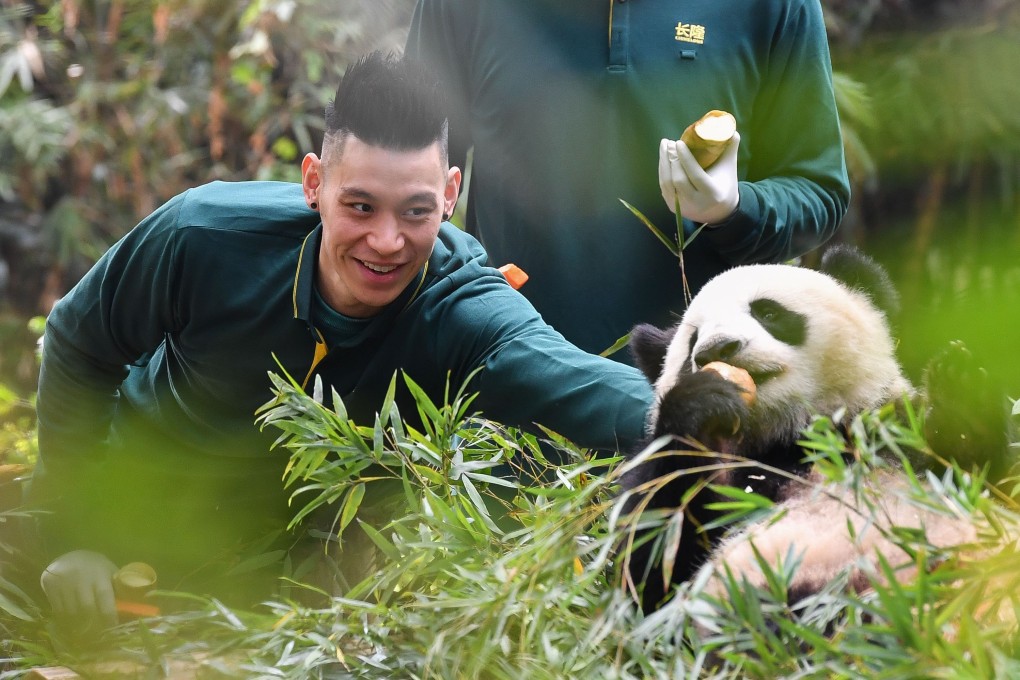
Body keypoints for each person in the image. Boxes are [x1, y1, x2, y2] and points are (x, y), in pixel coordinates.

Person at [29, 51, 653, 632]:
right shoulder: (205, 236)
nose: (387, 241)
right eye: (360, 207)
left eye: (415, 212)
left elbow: (586, 385)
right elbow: (79, 343)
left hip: (282, 588)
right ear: (314, 183)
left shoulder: (462, 307)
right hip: (131, 507)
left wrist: (732, 418)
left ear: (450, 195)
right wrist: (74, 531)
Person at [405, 0, 851, 358]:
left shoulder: (775, 5)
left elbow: (818, 188)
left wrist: (736, 210)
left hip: (700, 397)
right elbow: (408, 183)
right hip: (508, 397)